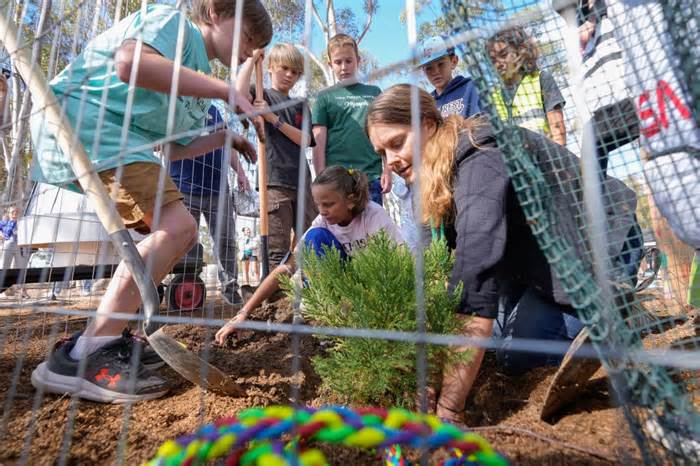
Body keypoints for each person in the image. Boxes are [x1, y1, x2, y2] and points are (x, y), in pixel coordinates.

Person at [29, 0, 272, 403]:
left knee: (176, 232)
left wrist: (227, 138)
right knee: (178, 228)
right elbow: (130, 65)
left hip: (125, 144)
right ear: (214, 11)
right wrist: (224, 91)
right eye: (248, 36)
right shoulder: (174, 25)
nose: (250, 51)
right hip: (91, 125)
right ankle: (85, 353)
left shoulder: (201, 80)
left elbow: (177, 149)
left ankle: (105, 336)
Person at [366, 84, 638, 425]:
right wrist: (431, 372)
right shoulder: (435, 174)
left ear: (426, 123)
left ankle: (617, 308)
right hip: (533, 266)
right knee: (490, 347)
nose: (390, 161)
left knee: (516, 355)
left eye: (396, 143)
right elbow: (444, 278)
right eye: (381, 152)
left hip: (599, 249)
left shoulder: (481, 155)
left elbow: (474, 279)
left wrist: (449, 410)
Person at [214, 166, 403, 344]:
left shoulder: (373, 216)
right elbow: (286, 267)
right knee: (314, 237)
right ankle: (330, 315)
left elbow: (401, 260)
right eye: (318, 204)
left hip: (374, 285)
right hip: (344, 286)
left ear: (351, 200)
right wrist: (244, 313)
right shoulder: (323, 221)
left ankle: (359, 317)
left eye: (328, 204)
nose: (322, 211)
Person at [236, 44, 318, 273]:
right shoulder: (261, 94)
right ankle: (275, 302)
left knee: (311, 240)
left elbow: (305, 139)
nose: (290, 75)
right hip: (274, 183)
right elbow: (237, 95)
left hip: (303, 184)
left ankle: (309, 294)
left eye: (295, 72)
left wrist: (272, 118)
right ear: (271, 67)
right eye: (284, 68)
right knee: (276, 249)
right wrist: (251, 61)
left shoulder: (300, 105)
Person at [170, 105, 249, 306]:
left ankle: (230, 289)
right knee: (182, 242)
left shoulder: (214, 111)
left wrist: (240, 171)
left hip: (218, 191)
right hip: (184, 188)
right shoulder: (176, 107)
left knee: (226, 242)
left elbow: (227, 145)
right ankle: (183, 286)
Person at [311, 33, 391, 206]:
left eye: (349, 61)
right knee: (340, 232)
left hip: (371, 177)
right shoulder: (324, 97)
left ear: (358, 60)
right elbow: (318, 143)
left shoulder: (374, 92)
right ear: (330, 64)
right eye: (338, 62)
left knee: (372, 232)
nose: (344, 67)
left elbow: (384, 135)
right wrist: (321, 180)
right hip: (336, 181)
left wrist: (388, 170)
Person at [486, 26, 567, 146]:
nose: (499, 64)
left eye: (503, 55)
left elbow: (557, 128)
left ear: (520, 51)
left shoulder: (540, 79)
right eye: (493, 60)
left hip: (547, 155)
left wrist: (559, 160)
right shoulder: (494, 98)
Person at [418, 35, 481, 119]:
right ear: (423, 71)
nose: (435, 72)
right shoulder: (427, 104)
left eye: (441, 64)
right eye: (429, 68)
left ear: (453, 62)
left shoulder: (470, 88)